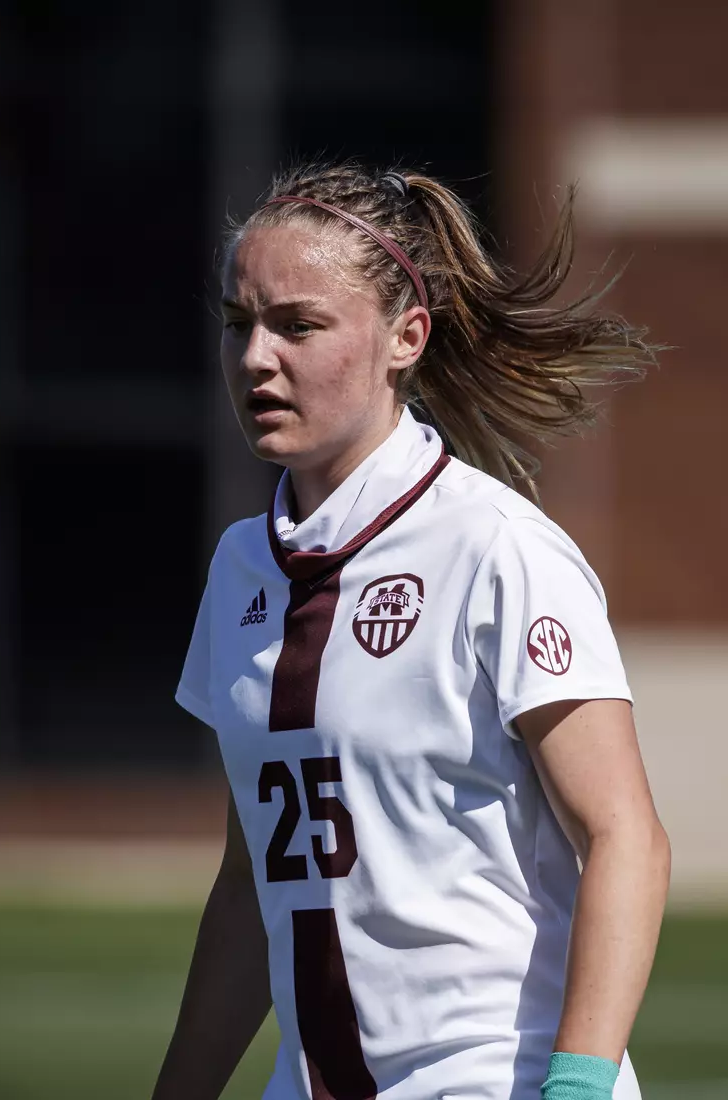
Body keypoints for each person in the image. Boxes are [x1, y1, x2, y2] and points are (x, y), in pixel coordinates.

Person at [152, 162, 669, 1100]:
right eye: (240, 325)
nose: (256, 358)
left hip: (493, 1079)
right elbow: (249, 884)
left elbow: (624, 833)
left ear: (405, 337)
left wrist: (580, 1088)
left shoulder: (497, 547)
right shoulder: (239, 568)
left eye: (298, 325)